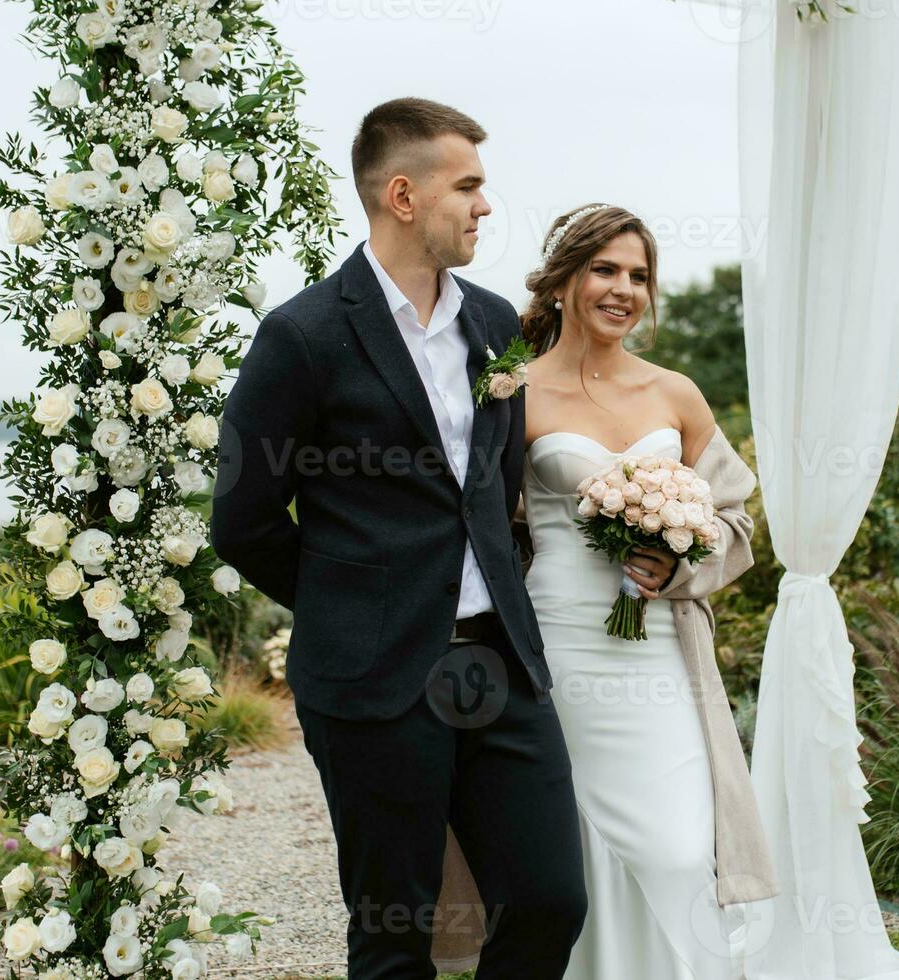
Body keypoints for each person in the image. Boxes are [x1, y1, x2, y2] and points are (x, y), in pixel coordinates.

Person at [209, 97, 586, 980]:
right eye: (470, 186)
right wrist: (357, 604)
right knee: (393, 932)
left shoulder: (495, 325)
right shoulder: (302, 334)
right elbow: (243, 519)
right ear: (405, 196)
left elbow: (492, 490)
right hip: (374, 677)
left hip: (498, 663)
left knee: (548, 900)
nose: (486, 206)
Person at [517, 203, 780, 978]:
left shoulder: (676, 394)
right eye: (605, 269)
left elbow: (736, 524)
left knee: (674, 848)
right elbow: (486, 529)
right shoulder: (512, 395)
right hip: (557, 649)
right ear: (563, 280)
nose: (624, 288)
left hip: (660, 655)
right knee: (576, 852)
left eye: (639, 275)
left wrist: (679, 566)